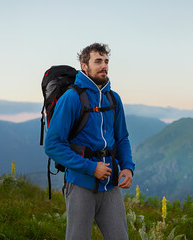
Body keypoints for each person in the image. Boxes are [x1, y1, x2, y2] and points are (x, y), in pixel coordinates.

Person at [44, 43, 135, 240]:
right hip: (80, 184)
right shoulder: (72, 98)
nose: (104, 66)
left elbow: (122, 138)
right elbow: (52, 145)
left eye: (106, 61)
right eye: (98, 61)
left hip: (110, 184)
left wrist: (127, 167)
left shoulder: (113, 98)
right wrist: (90, 167)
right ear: (84, 66)